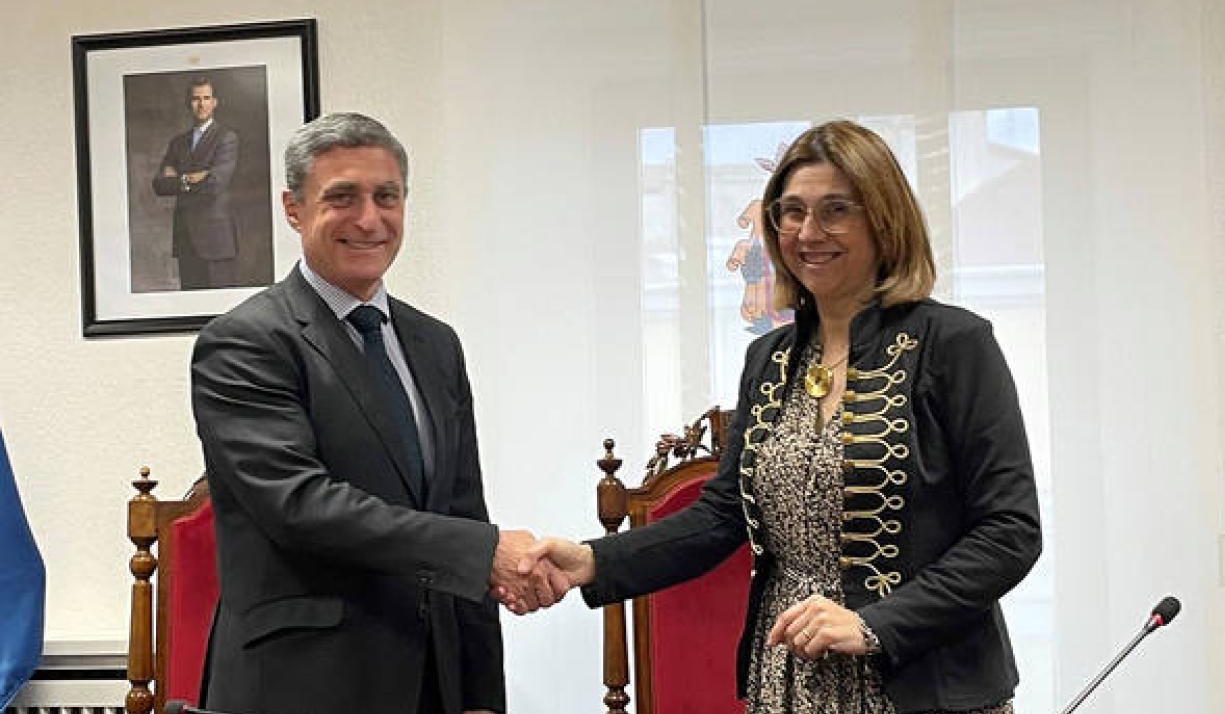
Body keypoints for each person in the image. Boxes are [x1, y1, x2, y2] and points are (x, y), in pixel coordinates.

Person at [520, 120, 1042, 713]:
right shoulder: (768, 358)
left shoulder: (954, 343)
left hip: (925, 683)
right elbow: (721, 517)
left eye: (835, 210)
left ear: (885, 219)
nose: (808, 232)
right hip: (789, 680)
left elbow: (1010, 530)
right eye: (791, 212)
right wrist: (592, 561)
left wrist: (874, 624)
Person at [191, 112, 565, 714]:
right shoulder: (245, 342)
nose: (369, 219)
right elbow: (299, 505)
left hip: (432, 684)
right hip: (302, 686)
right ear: (293, 209)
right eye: (342, 197)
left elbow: (461, 509)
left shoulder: (435, 343)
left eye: (386, 197)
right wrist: (482, 551)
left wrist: (480, 695)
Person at [151, 76, 240, 289]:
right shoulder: (178, 143)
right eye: (195, 99)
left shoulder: (226, 138)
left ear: (214, 102)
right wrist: (190, 178)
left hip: (216, 241)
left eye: (206, 98)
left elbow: (215, 184)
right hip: (186, 240)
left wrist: (178, 179)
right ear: (188, 103)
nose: (201, 104)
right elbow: (159, 185)